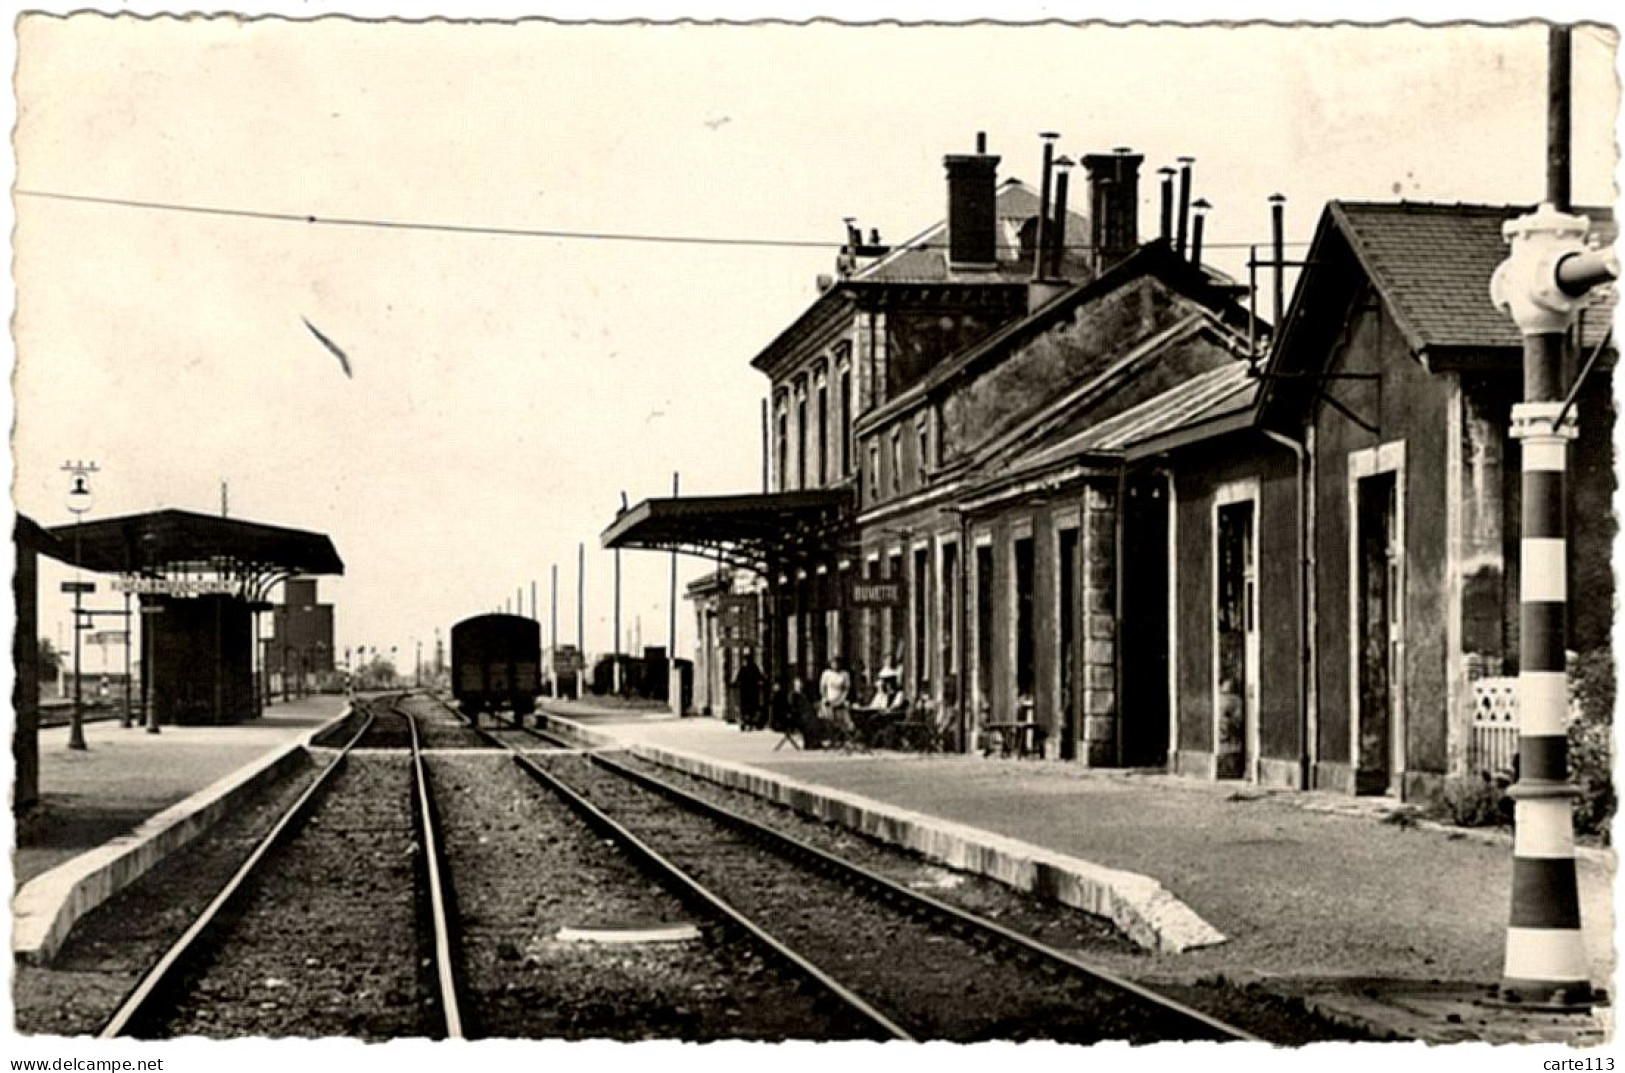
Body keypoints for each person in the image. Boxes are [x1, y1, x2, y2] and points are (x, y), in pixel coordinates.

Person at [818, 656, 852, 732]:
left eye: (837, 663)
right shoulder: (826, 673)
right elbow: (822, 688)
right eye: (834, 663)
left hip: (840, 699)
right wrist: (825, 698)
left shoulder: (845, 674)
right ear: (831, 664)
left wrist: (841, 700)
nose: (836, 665)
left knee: (842, 718)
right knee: (828, 719)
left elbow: (846, 690)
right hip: (829, 699)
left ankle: (842, 735)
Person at [733, 654, 765, 732]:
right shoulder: (753, 668)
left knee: (747, 708)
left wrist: (735, 684)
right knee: (751, 708)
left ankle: (746, 722)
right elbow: (760, 677)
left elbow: (738, 679)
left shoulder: (744, 668)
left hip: (746, 692)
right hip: (752, 692)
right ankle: (748, 722)